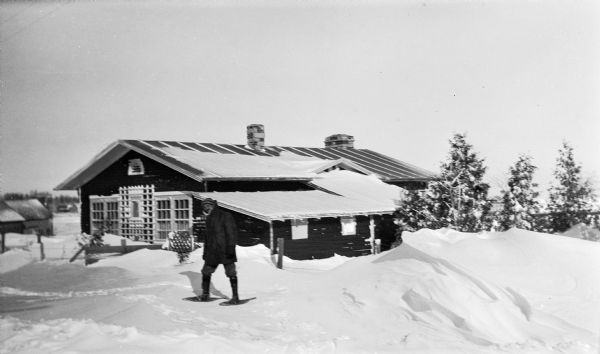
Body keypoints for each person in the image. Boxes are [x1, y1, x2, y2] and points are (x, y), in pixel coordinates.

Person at [199, 198, 239, 303]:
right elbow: (207, 238)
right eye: (204, 206)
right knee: (205, 272)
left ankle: (235, 297)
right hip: (212, 252)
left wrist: (231, 247)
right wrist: (205, 252)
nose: (206, 208)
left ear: (214, 205)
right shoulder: (208, 219)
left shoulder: (225, 216)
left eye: (208, 205)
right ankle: (205, 294)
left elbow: (231, 233)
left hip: (225, 250)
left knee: (231, 273)